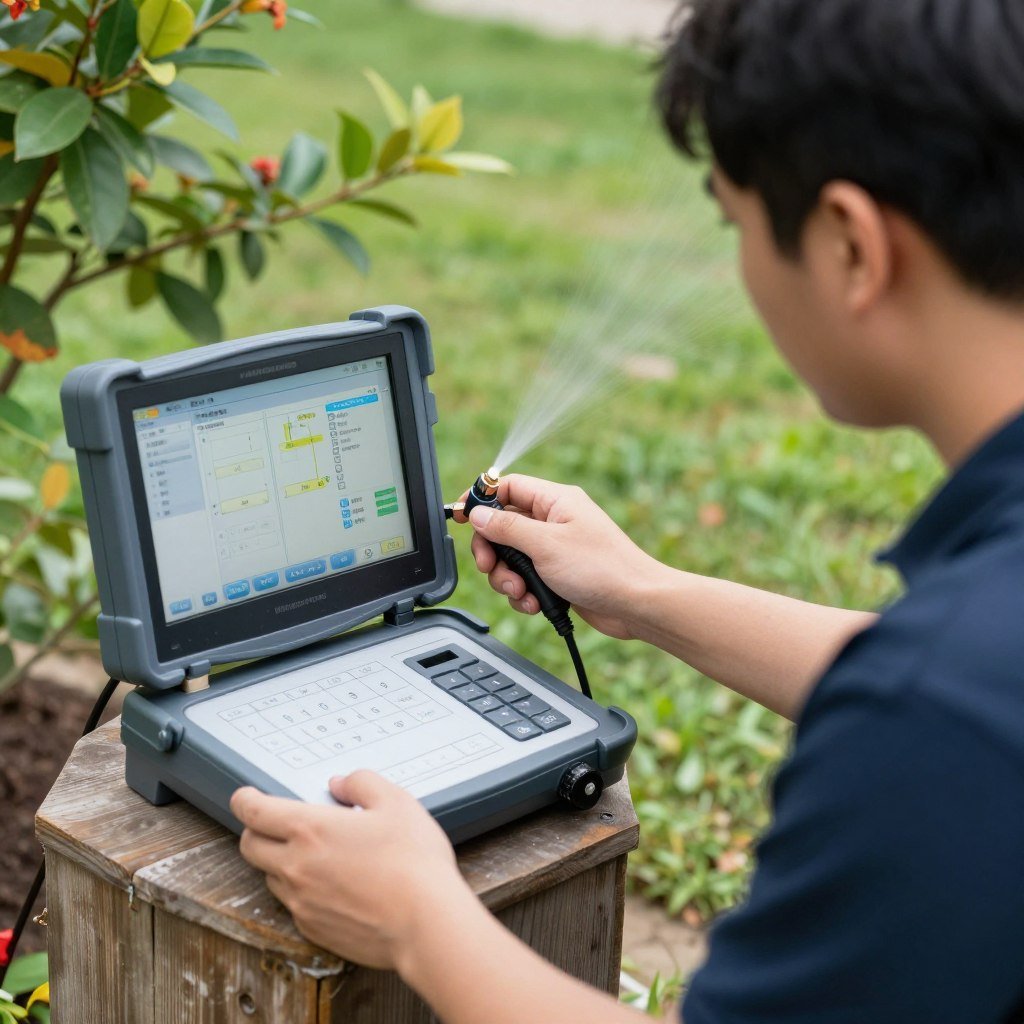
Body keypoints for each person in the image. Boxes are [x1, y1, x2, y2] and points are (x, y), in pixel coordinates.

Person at [230, 0, 1024, 1020]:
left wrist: (417, 917)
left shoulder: (934, 715)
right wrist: (642, 591)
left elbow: (942, 705)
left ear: (850, 246)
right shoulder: (964, 676)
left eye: (736, 225)